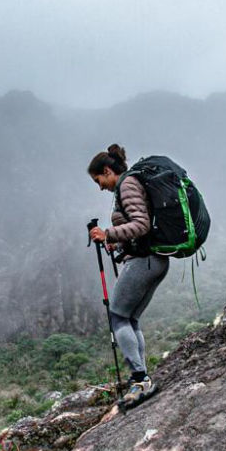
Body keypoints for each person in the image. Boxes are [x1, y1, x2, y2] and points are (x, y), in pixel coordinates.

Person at [88, 144, 167, 406]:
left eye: (99, 180)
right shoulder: (131, 184)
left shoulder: (127, 184)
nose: (100, 187)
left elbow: (142, 225)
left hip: (144, 261)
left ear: (108, 170)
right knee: (130, 318)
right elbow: (137, 227)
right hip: (152, 260)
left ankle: (140, 380)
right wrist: (118, 243)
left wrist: (107, 233)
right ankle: (142, 377)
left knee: (118, 317)